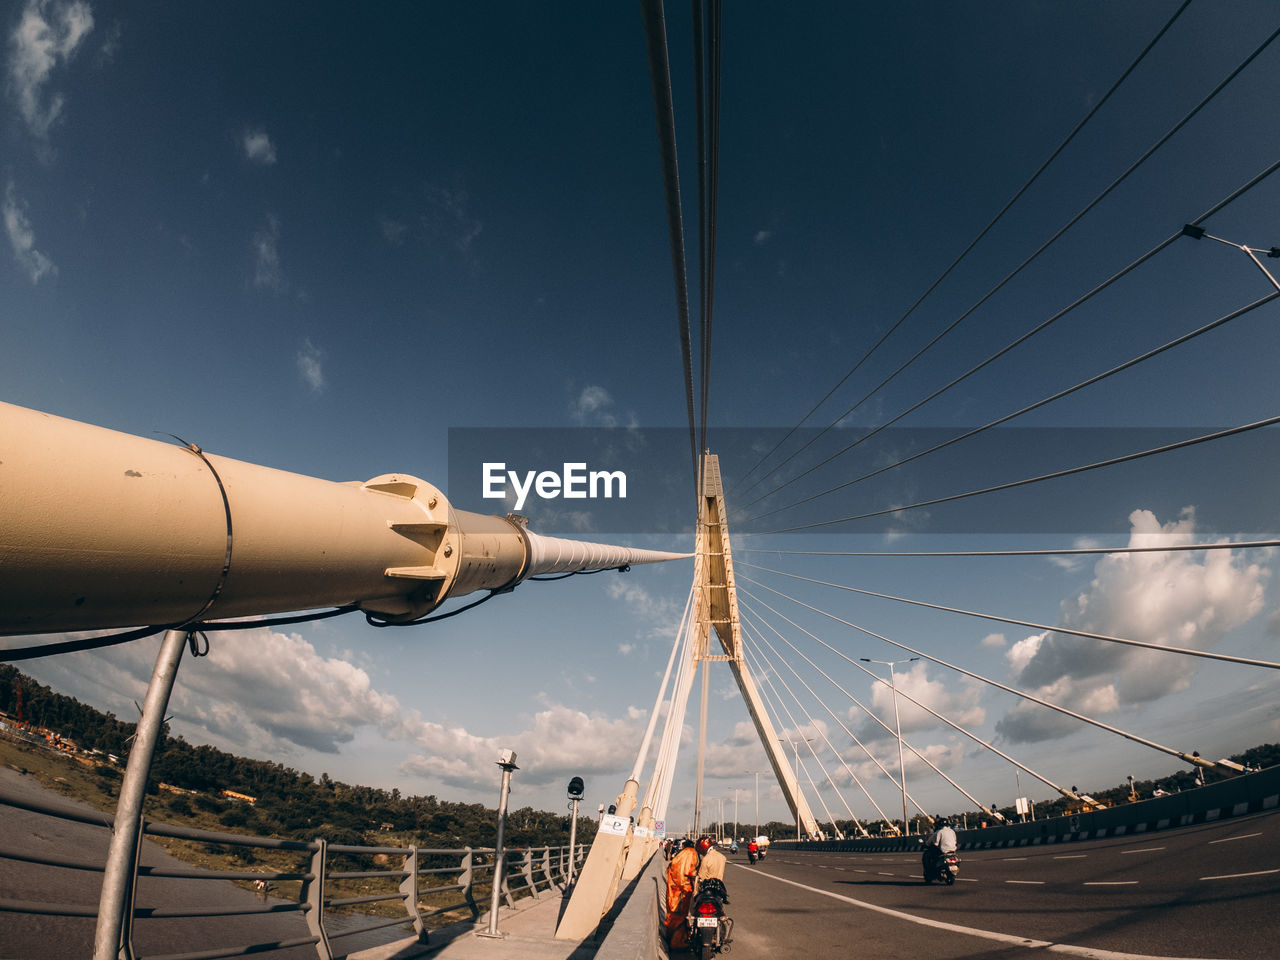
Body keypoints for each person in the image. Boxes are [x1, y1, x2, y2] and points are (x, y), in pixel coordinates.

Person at [664, 839, 699, 948]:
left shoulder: (681, 855)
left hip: (674, 889)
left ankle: (671, 939)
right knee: (681, 915)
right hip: (684, 890)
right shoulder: (692, 853)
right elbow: (689, 872)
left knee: (673, 913)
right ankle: (679, 942)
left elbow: (674, 869)